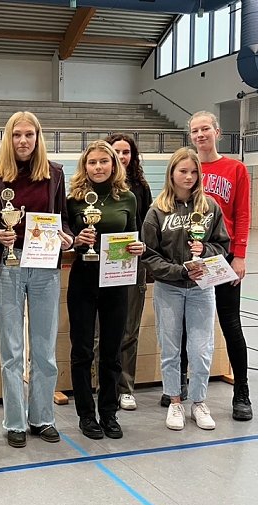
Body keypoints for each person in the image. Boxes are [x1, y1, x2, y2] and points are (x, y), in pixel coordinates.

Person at [0, 111, 74, 448]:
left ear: (38, 138)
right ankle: (16, 422)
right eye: (17, 135)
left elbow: (62, 217)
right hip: (7, 266)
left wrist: (66, 235)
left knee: (45, 349)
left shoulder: (55, 174)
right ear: (9, 138)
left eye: (29, 135)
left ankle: (42, 417)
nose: (23, 141)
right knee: (11, 350)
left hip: (45, 266)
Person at [141, 147, 230, 431]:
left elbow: (223, 245)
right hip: (169, 288)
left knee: (201, 348)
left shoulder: (210, 208)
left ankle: (199, 402)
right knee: (170, 348)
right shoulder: (157, 211)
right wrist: (179, 270)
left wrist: (205, 250)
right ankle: (175, 401)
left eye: (194, 172)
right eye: (183, 171)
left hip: (202, 289)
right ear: (172, 174)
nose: (189, 176)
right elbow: (149, 255)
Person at [66, 140, 145, 440]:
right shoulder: (73, 199)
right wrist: (77, 240)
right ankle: (86, 415)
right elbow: (65, 237)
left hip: (116, 280)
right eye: (92, 162)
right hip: (84, 279)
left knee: (111, 352)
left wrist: (138, 247)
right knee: (83, 350)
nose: (98, 167)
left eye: (103, 161)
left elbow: (134, 235)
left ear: (114, 164)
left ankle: (109, 412)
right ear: (84, 166)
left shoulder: (127, 198)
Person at [188, 110, 254, 421]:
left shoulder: (235, 169)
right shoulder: (186, 169)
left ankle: (242, 390)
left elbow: (242, 214)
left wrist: (239, 255)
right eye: (195, 131)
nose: (200, 135)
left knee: (230, 324)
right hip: (192, 258)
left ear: (218, 131)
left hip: (223, 257)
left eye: (205, 129)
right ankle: (181, 386)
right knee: (188, 326)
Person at [104, 133, 153, 412]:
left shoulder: (141, 188)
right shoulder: (93, 184)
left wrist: (143, 250)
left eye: (126, 152)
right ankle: (102, 384)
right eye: (117, 152)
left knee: (129, 329)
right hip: (103, 266)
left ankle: (125, 387)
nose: (122, 157)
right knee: (102, 330)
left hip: (132, 265)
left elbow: (147, 227)